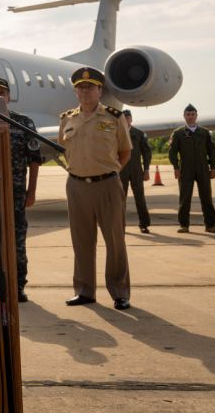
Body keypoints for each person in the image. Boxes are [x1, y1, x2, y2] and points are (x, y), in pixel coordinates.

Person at [58, 66, 132, 310]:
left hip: (107, 185)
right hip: (77, 185)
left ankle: (119, 292)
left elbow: (125, 151)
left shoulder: (113, 117)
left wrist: (111, 174)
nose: (85, 91)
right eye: (80, 87)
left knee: (115, 241)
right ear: (75, 92)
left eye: (90, 87)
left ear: (100, 91)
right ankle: (84, 291)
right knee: (81, 241)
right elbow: (64, 149)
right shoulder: (67, 119)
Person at [0, 77, 42, 303]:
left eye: (2, 92)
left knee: (18, 240)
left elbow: (35, 160)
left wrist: (32, 192)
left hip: (16, 194)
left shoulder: (23, 123)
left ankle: (18, 285)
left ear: (9, 96)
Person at [168, 104, 215, 233]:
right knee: (185, 197)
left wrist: (213, 167)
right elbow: (172, 152)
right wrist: (176, 168)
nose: (190, 117)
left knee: (206, 197)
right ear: (184, 116)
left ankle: (210, 225)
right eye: (188, 114)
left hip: (203, 168)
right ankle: (184, 225)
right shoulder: (178, 133)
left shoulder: (205, 132)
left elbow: (212, 151)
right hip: (185, 169)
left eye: (192, 114)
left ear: (196, 116)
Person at [119, 110, 153, 233]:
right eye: (124, 117)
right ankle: (120, 225)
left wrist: (147, 169)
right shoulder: (116, 134)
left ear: (131, 119)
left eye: (128, 117)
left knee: (140, 198)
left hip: (136, 171)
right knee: (120, 199)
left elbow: (147, 153)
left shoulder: (139, 134)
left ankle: (144, 224)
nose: (126, 119)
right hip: (121, 171)